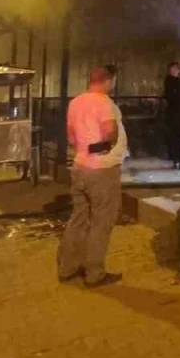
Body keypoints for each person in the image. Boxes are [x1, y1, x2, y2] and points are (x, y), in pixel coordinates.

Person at [58, 65, 127, 287]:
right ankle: (94, 273)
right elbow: (110, 132)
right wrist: (103, 149)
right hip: (102, 171)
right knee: (101, 222)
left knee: (78, 219)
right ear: (108, 80)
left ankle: (67, 268)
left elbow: (71, 137)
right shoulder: (103, 102)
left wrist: (85, 150)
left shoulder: (75, 102)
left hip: (80, 167)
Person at [163, 62, 180, 170]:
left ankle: (178, 161)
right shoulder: (173, 82)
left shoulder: (175, 81)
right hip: (176, 113)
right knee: (179, 138)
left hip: (177, 113)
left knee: (178, 138)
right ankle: (179, 161)